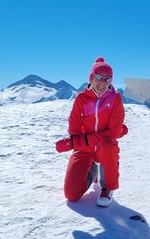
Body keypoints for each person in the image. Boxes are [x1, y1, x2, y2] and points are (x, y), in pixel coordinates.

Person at [55, 57, 128, 207]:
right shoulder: (81, 99)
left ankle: (108, 187)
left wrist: (81, 141)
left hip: (105, 147)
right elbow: (74, 132)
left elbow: (113, 133)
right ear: (91, 77)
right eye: (99, 77)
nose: (102, 82)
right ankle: (93, 169)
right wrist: (79, 142)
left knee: (107, 144)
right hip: (84, 149)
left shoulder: (115, 99)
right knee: (71, 194)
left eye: (107, 78)